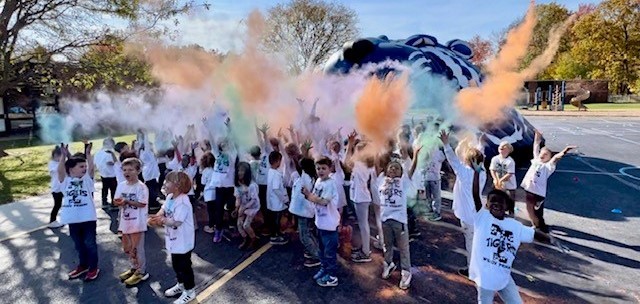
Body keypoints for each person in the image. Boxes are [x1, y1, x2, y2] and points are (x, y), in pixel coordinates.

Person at [470, 168, 564, 304]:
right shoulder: (482, 218)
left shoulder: (514, 226)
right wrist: (476, 173)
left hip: (504, 276)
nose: (496, 204)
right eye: (492, 201)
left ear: (507, 206)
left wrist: (550, 238)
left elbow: (533, 233)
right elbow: (475, 195)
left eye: (500, 202)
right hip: (485, 279)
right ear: (487, 205)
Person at [439, 130, 486, 278]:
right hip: (478, 214)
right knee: (477, 242)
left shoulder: (465, 172)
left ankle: (472, 271)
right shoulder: (482, 172)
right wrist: (479, 141)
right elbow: (479, 155)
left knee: (470, 243)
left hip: (467, 215)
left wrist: (446, 144)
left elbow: (452, 159)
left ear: (468, 161)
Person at [150, 171, 196, 304]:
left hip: (183, 241)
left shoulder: (182, 201)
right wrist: (157, 216)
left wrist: (161, 221)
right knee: (176, 264)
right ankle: (181, 284)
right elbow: (163, 209)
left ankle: (190, 291)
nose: (164, 183)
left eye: (168, 181)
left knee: (184, 266)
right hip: (174, 239)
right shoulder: (170, 197)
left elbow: (176, 222)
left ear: (178, 185)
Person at [379, 146, 420, 290]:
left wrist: (415, 155)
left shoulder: (404, 182)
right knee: (386, 245)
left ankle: (406, 272)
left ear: (401, 172)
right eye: (391, 168)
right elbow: (379, 164)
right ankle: (388, 263)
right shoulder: (381, 180)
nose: (393, 170)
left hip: (399, 221)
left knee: (404, 248)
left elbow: (412, 169)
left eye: (397, 168)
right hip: (385, 220)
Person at [57, 142, 100, 281]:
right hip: (72, 220)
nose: (84, 168)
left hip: (88, 219)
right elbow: (60, 171)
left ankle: (93, 268)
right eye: (81, 167)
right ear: (71, 169)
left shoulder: (87, 180)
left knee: (90, 244)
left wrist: (88, 154)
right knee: (79, 245)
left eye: (85, 166)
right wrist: (64, 156)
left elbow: (92, 167)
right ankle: (83, 265)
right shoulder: (65, 182)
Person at [521, 130, 576, 234]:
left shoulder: (548, 167)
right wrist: (538, 135)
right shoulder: (536, 160)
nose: (543, 155)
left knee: (536, 211)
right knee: (530, 209)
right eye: (542, 153)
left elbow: (556, 158)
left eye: (546, 154)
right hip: (529, 189)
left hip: (538, 193)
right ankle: (536, 225)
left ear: (549, 158)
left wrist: (564, 151)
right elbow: (536, 146)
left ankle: (539, 225)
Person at [302, 157, 341, 287]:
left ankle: (332, 276)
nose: (320, 171)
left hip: (329, 225)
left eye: (324, 168)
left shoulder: (330, 184)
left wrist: (309, 195)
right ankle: (324, 269)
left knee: (329, 253)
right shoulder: (318, 181)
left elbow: (324, 201)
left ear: (330, 169)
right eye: (318, 168)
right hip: (320, 223)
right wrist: (309, 196)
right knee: (321, 251)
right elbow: (314, 198)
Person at [113, 158, 149, 286]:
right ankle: (134, 268)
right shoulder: (121, 185)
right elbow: (116, 200)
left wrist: (127, 201)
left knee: (137, 249)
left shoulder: (141, 187)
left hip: (137, 223)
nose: (127, 172)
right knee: (128, 248)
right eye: (124, 170)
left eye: (131, 170)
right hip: (125, 222)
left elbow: (142, 203)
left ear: (138, 171)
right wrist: (119, 202)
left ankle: (141, 271)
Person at [289, 157, 320, 267]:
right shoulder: (307, 177)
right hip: (303, 211)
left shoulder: (305, 178)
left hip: (304, 212)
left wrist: (300, 153)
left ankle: (317, 256)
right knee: (307, 234)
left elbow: (298, 165)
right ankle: (316, 251)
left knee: (304, 236)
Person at [210, 137, 238, 243]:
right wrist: (208, 128)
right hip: (219, 188)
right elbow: (212, 142)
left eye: (226, 143)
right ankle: (218, 230)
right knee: (219, 210)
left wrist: (229, 127)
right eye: (222, 143)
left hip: (229, 187)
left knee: (231, 208)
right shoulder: (217, 154)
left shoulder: (232, 154)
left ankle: (233, 226)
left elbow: (232, 142)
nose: (224, 144)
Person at [232, 162, 260, 250]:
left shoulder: (252, 185)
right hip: (243, 206)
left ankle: (254, 239)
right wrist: (237, 209)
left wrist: (244, 208)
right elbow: (238, 198)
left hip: (252, 207)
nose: (240, 172)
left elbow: (254, 200)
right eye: (238, 170)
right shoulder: (237, 185)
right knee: (239, 224)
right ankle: (245, 238)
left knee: (246, 225)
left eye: (242, 171)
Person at [267, 151, 289, 245]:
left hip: (272, 201)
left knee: (274, 219)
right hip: (277, 201)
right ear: (277, 161)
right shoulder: (276, 174)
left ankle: (277, 233)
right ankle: (275, 236)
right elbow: (276, 189)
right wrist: (284, 199)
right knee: (276, 219)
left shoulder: (271, 171)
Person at [489, 141, 517, 215]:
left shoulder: (510, 161)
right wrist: (495, 179)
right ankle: (495, 210)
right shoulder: (495, 159)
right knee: (496, 197)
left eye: (504, 147)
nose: (501, 148)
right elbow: (492, 169)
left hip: (509, 184)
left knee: (510, 199)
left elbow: (509, 173)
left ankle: (511, 213)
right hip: (498, 182)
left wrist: (500, 180)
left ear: (508, 150)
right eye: (500, 147)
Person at [422, 146, 446, 221]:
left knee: (436, 196)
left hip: (435, 178)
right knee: (427, 195)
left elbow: (443, 158)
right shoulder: (425, 151)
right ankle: (430, 210)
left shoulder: (439, 153)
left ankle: (437, 212)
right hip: (426, 177)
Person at [138, 133, 161, 211]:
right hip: (149, 174)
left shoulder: (144, 153)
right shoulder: (146, 153)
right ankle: (152, 203)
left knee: (152, 188)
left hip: (150, 174)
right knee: (151, 189)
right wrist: (145, 134)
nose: (151, 146)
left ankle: (152, 202)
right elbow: (146, 144)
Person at [94, 137, 117, 209]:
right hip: (111, 173)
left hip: (102, 173)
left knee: (105, 188)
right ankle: (114, 203)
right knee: (113, 189)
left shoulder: (98, 152)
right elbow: (113, 163)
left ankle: (104, 201)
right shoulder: (109, 152)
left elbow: (95, 162)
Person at [200, 152, 217, 234]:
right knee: (217, 210)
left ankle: (211, 226)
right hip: (217, 192)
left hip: (208, 193)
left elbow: (203, 183)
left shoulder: (205, 171)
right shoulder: (216, 169)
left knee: (210, 212)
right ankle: (217, 225)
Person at [47, 147, 64, 228]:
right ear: (54, 156)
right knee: (57, 205)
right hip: (56, 188)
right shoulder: (52, 163)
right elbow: (57, 170)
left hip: (63, 188)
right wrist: (62, 162)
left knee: (63, 204)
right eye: (59, 156)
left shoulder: (62, 163)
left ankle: (63, 218)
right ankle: (52, 221)